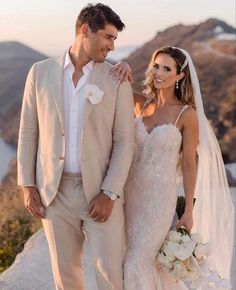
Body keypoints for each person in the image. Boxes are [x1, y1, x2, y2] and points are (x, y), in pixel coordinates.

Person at [17, 3, 135, 290]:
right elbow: (28, 132)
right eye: (108, 37)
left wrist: (109, 193)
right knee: (65, 277)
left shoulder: (116, 78)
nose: (112, 46)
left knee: (110, 276)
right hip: (54, 194)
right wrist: (27, 185)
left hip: (100, 192)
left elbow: (124, 141)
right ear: (85, 30)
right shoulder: (39, 72)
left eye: (115, 39)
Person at [111, 46, 234, 289]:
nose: (159, 72)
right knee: (131, 257)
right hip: (128, 197)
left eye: (167, 68)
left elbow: (189, 164)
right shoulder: (142, 105)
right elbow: (113, 84)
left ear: (179, 76)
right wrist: (123, 65)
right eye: (156, 66)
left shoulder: (187, 115)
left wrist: (189, 210)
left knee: (138, 258)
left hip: (158, 202)